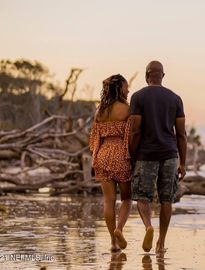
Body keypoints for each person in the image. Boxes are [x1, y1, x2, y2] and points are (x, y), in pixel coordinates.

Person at [129, 60, 187, 253]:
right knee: (166, 199)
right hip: (170, 155)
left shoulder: (138, 97)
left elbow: (135, 130)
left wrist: (132, 155)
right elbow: (181, 134)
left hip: (146, 154)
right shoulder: (175, 98)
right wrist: (183, 163)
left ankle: (148, 226)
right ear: (162, 76)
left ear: (147, 76)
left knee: (142, 198)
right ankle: (161, 243)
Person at [89, 74, 132, 252]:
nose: (128, 90)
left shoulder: (100, 111)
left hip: (103, 154)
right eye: (126, 87)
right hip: (121, 154)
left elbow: (94, 140)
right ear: (119, 88)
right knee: (127, 198)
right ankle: (118, 230)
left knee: (108, 200)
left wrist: (96, 157)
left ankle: (113, 243)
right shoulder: (128, 109)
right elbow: (131, 137)